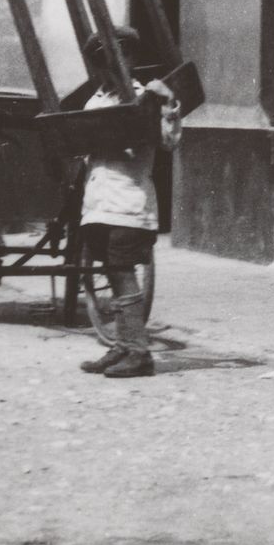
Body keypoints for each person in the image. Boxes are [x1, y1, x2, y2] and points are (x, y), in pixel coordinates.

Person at [71, 25, 183, 379]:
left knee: (122, 272)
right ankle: (122, 345)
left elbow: (168, 140)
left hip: (127, 201)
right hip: (99, 200)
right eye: (100, 63)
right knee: (110, 271)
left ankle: (139, 352)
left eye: (114, 60)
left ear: (130, 60)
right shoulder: (96, 100)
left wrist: (167, 103)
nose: (107, 69)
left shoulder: (142, 98)